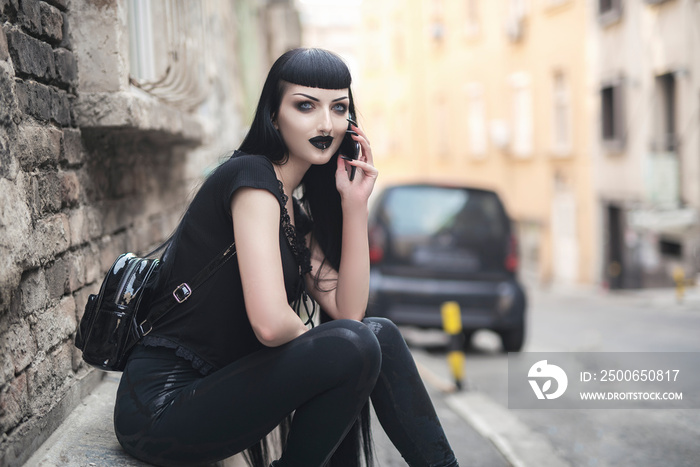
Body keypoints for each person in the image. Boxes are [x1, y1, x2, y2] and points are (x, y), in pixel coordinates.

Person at [113, 47, 460, 467]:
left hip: (211, 399)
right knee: (357, 344)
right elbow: (271, 324)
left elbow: (349, 312)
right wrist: (330, 355)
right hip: (161, 408)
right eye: (305, 106)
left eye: (339, 109)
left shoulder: (295, 213)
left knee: (378, 333)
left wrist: (354, 205)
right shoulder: (253, 177)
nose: (326, 123)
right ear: (274, 115)